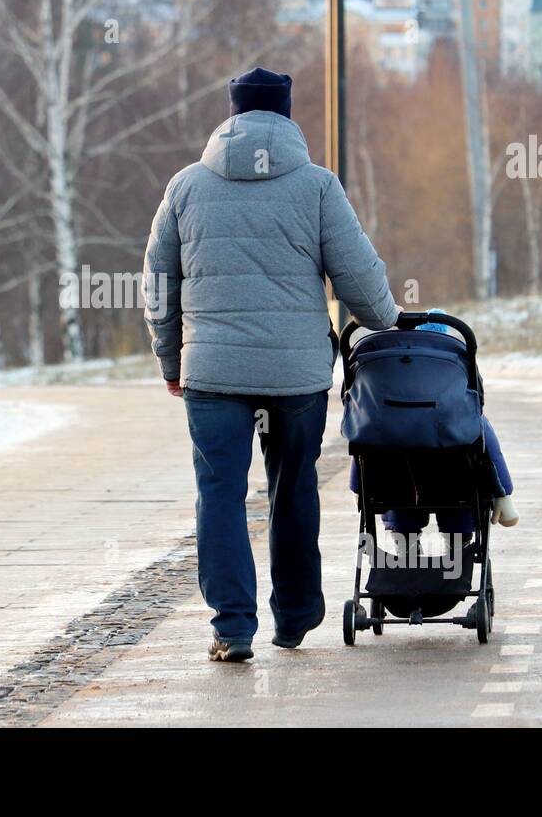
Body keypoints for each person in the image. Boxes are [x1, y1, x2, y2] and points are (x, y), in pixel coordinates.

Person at [143, 67, 399, 662]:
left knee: (220, 493)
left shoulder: (185, 187)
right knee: (293, 487)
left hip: (212, 373)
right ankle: (296, 615)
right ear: (286, 115)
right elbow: (358, 275)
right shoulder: (316, 186)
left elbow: (158, 283)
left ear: (231, 116)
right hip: (297, 376)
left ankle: (232, 627)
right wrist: (388, 322)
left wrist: (168, 356)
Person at [348, 309, 518, 558]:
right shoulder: (465, 416)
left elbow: (362, 447)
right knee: (460, 492)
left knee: (396, 490)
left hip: (396, 487)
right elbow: (489, 449)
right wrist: (503, 493)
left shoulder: (378, 420)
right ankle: (457, 551)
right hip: (453, 483)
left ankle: (406, 551)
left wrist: (359, 488)